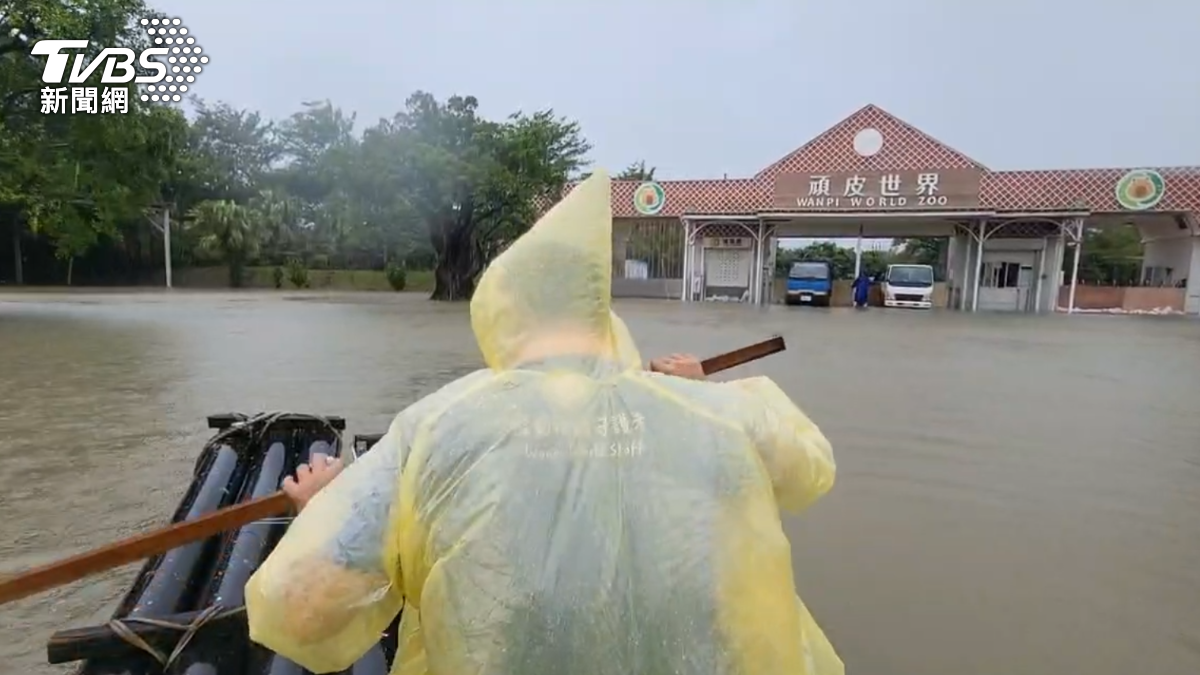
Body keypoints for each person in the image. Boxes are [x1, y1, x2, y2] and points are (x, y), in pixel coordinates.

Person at [244, 171, 843, 675]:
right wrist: (698, 398)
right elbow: (811, 471)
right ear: (601, 311)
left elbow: (304, 613)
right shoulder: (716, 414)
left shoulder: (436, 427)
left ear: (504, 312)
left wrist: (324, 510)